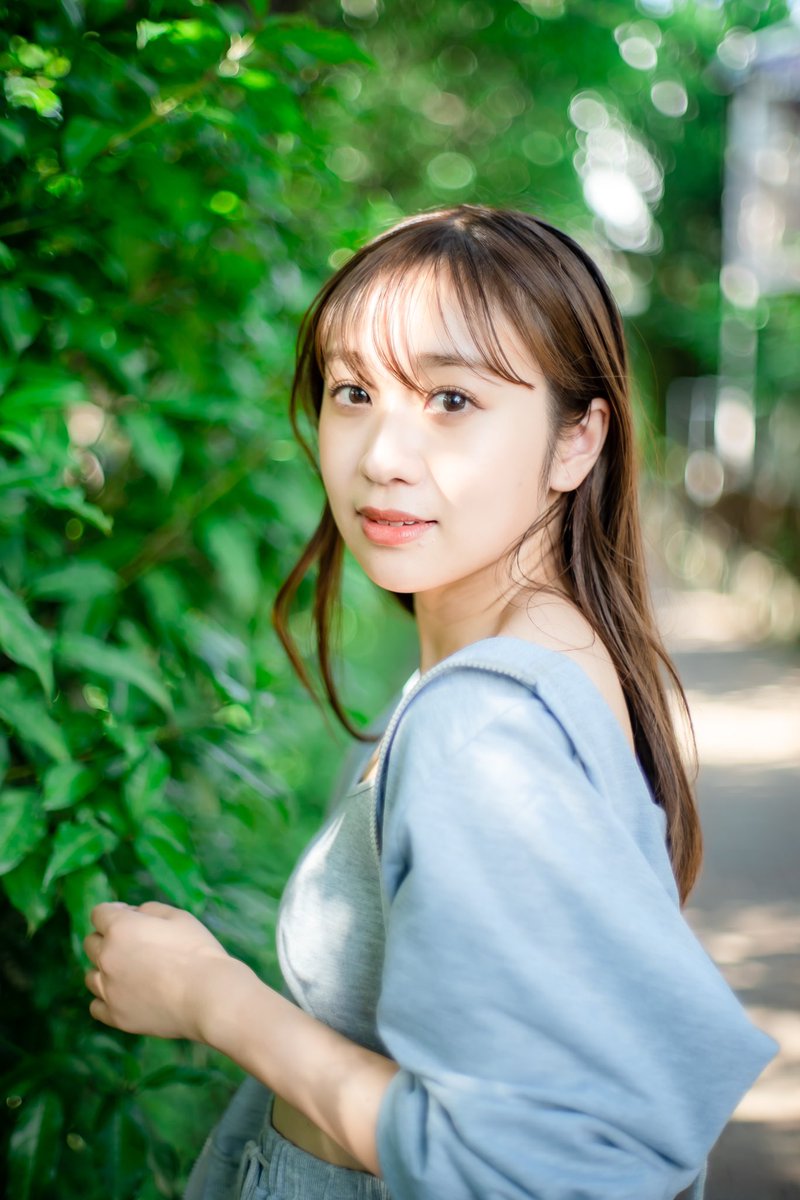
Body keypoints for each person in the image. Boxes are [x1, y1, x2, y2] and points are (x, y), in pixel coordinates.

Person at [83, 205, 776, 1200]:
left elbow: (532, 1164)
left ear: (574, 441)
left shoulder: (485, 726)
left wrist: (209, 999)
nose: (381, 455)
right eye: (353, 391)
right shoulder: (547, 662)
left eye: (450, 400)